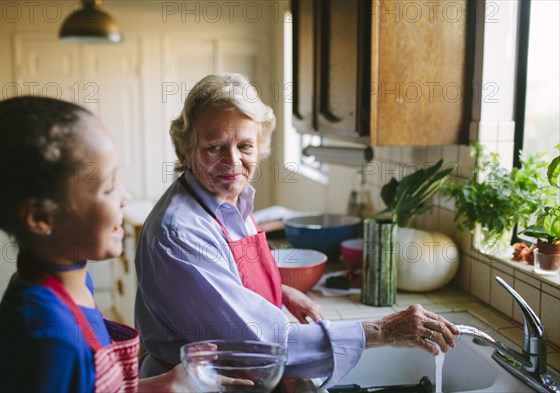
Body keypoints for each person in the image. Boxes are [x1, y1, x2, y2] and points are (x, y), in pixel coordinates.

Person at [134, 73, 460, 388]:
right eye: (214, 148)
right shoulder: (180, 232)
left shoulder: (229, 199)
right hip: (204, 386)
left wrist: (279, 290)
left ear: (259, 146)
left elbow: (225, 280)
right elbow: (260, 348)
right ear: (188, 148)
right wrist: (384, 330)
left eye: (245, 146)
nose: (232, 161)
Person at [0, 96, 200, 392]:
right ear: (40, 218)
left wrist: (162, 384)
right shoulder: (50, 341)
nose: (125, 195)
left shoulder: (73, 284)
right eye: (109, 187)